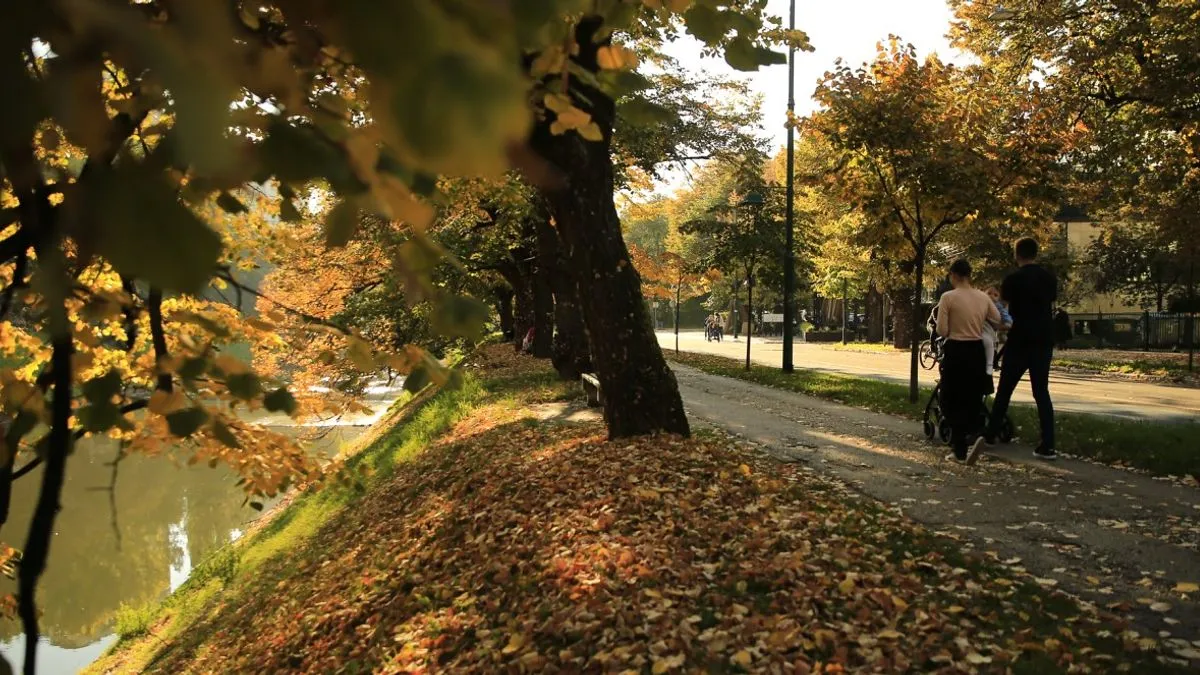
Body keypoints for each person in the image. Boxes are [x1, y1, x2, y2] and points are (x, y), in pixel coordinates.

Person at [986, 237, 1058, 460]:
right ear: (1036, 253)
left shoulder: (1012, 280)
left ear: (1017, 254)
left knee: (1005, 390)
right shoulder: (1049, 279)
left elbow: (1005, 311)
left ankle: (990, 434)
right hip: (1043, 341)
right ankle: (1048, 444)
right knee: (1041, 392)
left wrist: (994, 302)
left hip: (1019, 340)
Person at [935, 259, 1001, 465]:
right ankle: (976, 431)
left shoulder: (948, 297)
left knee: (950, 398)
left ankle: (959, 449)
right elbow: (998, 318)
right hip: (976, 349)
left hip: (956, 349)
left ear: (953, 275)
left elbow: (942, 330)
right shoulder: (982, 297)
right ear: (969, 275)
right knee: (972, 396)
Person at [982, 286, 1013, 380]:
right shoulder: (979, 303)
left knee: (989, 346)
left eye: (995, 295)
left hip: (989, 336)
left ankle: (990, 366)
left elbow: (1007, 321)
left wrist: (999, 325)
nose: (992, 296)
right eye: (989, 293)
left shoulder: (998, 306)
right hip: (976, 336)